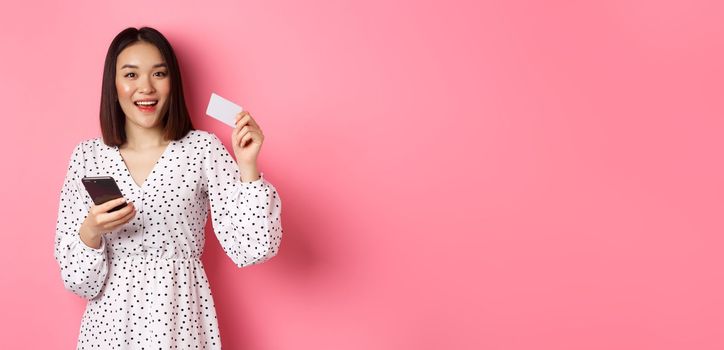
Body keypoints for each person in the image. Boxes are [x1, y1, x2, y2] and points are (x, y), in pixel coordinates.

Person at [53, 26, 283, 349]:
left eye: (158, 73)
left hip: (180, 324)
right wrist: (91, 231)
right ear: (113, 84)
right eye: (131, 75)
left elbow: (253, 247)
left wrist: (248, 166)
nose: (145, 87)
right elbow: (79, 283)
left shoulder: (201, 149)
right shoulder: (88, 157)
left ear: (172, 80)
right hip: (108, 331)